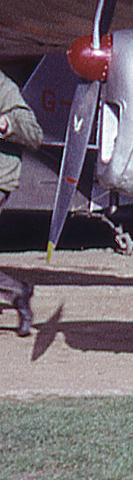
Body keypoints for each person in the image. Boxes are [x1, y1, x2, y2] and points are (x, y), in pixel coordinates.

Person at [0, 70, 41, 335]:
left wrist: (6, 123)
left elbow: (34, 134)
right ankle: (17, 292)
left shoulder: (4, 87)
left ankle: (18, 292)